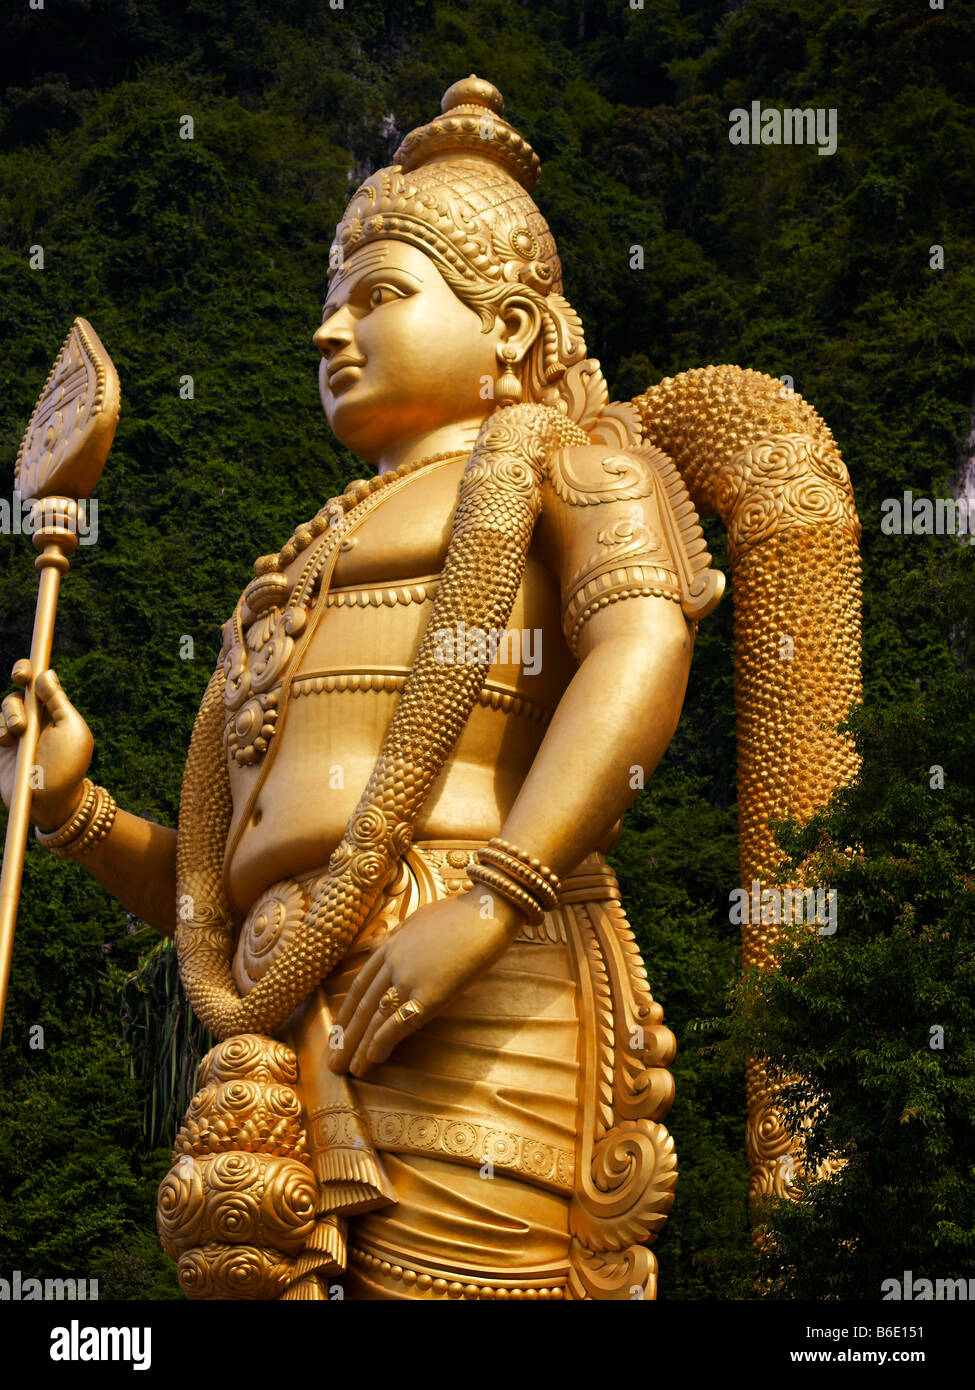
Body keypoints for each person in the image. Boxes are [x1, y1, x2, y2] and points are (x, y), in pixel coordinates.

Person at [0, 74, 861, 1300]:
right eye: (327, 305)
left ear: (508, 329)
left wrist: (493, 900)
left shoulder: (571, 463)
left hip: (477, 984)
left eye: (378, 296)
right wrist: (76, 811)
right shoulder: (295, 563)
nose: (328, 332)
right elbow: (227, 885)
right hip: (267, 1043)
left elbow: (640, 650)